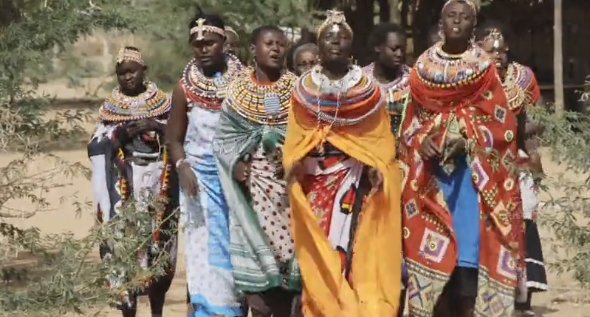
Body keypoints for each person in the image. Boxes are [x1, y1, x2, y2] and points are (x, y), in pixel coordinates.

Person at [398, 1, 523, 317]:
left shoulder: (484, 68)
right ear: (441, 23)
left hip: (472, 182)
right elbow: (410, 124)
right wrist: (422, 141)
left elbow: (503, 126)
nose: (457, 22)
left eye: (465, 17)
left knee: (467, 274)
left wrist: (468, 141)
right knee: (432, 282)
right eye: (451, 16)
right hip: (429, 180)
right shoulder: (422, 68)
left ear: (473, 25)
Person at [282, 10, 402, 317]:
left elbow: (378, 140)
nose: (336, 42)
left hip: (354, 182)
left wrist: (376, 168)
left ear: (353, 45)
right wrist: (295, 164)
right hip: (314, 184)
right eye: (329, 38)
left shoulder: (367, 90)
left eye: (344, 38)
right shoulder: (304, 89)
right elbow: (296, 139)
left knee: (350, 254)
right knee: (317, 253)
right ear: (318, 44)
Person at [213, 25, 300, 317]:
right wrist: (236, 162)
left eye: (281, 44)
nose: (276, 49)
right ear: (253, 49)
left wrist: (290, 151)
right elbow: (223, 139)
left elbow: (311, 134)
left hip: (290, 192)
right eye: (269, 43)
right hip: (251, 195)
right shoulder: (237, 91)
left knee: (291, 285)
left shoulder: (299, 88)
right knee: (260, 300)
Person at [164, 11, 244, 317]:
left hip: (239, 180)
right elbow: (173, 139)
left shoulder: (245, 83)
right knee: (204, 252)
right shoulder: (183, 88)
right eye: (196, 44)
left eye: (209, 42)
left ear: (223, 42)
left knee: (239, 250)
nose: (203, 48)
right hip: (199, 182)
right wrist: (182, 166)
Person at [88, 46, 177, 317]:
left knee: (160, 247)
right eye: (121, 73)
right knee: (125, 250)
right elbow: (96, 144)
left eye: (132, 71)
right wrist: (120, 136)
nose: (127, 77)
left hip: (158, 186)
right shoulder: (109, 108)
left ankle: (158, 311)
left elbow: (179, 134)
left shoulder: (163, 102)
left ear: (144, 71)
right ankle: (129, 311)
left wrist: (156, 126)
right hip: (125, 190)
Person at [476, 21, 547, 317]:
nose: (498, 55)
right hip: (481, 162)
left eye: (502, 50)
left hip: (515, 162)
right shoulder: (470, 79)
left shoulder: (523, 77)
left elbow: (541, 117)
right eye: (490, 50)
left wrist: (519, 135)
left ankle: (523, 297)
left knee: (523, 220)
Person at [364, 22, 410, 136]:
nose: (399, 54)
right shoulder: (360, 80)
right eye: (394, 49)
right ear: (377, 47)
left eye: (402, 49)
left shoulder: (412, 80)